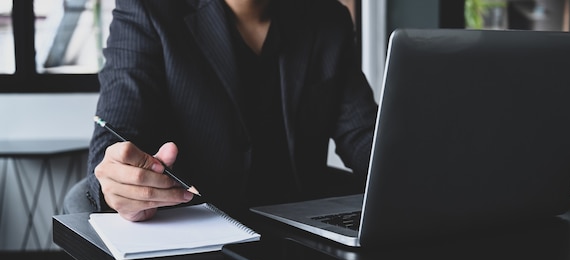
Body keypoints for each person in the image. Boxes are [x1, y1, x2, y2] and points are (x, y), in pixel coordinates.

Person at [85, 0, 378, 222]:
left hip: (300, 236)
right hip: (195, 231)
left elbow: (365, 136)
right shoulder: (147, 10)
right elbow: (116, 138)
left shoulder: (327, 17)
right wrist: (120, 183)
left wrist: (413, 171)